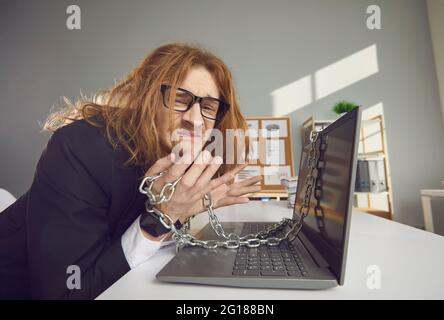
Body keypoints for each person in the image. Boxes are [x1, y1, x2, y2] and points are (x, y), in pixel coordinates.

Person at [0, 43, 261, 299]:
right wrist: (161, 217)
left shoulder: (181, 159)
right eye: (178, 100)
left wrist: (188, 207)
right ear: (146, 99)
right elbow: (67, 294)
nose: (194, 120)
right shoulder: (80, 148)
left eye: (208, 107)